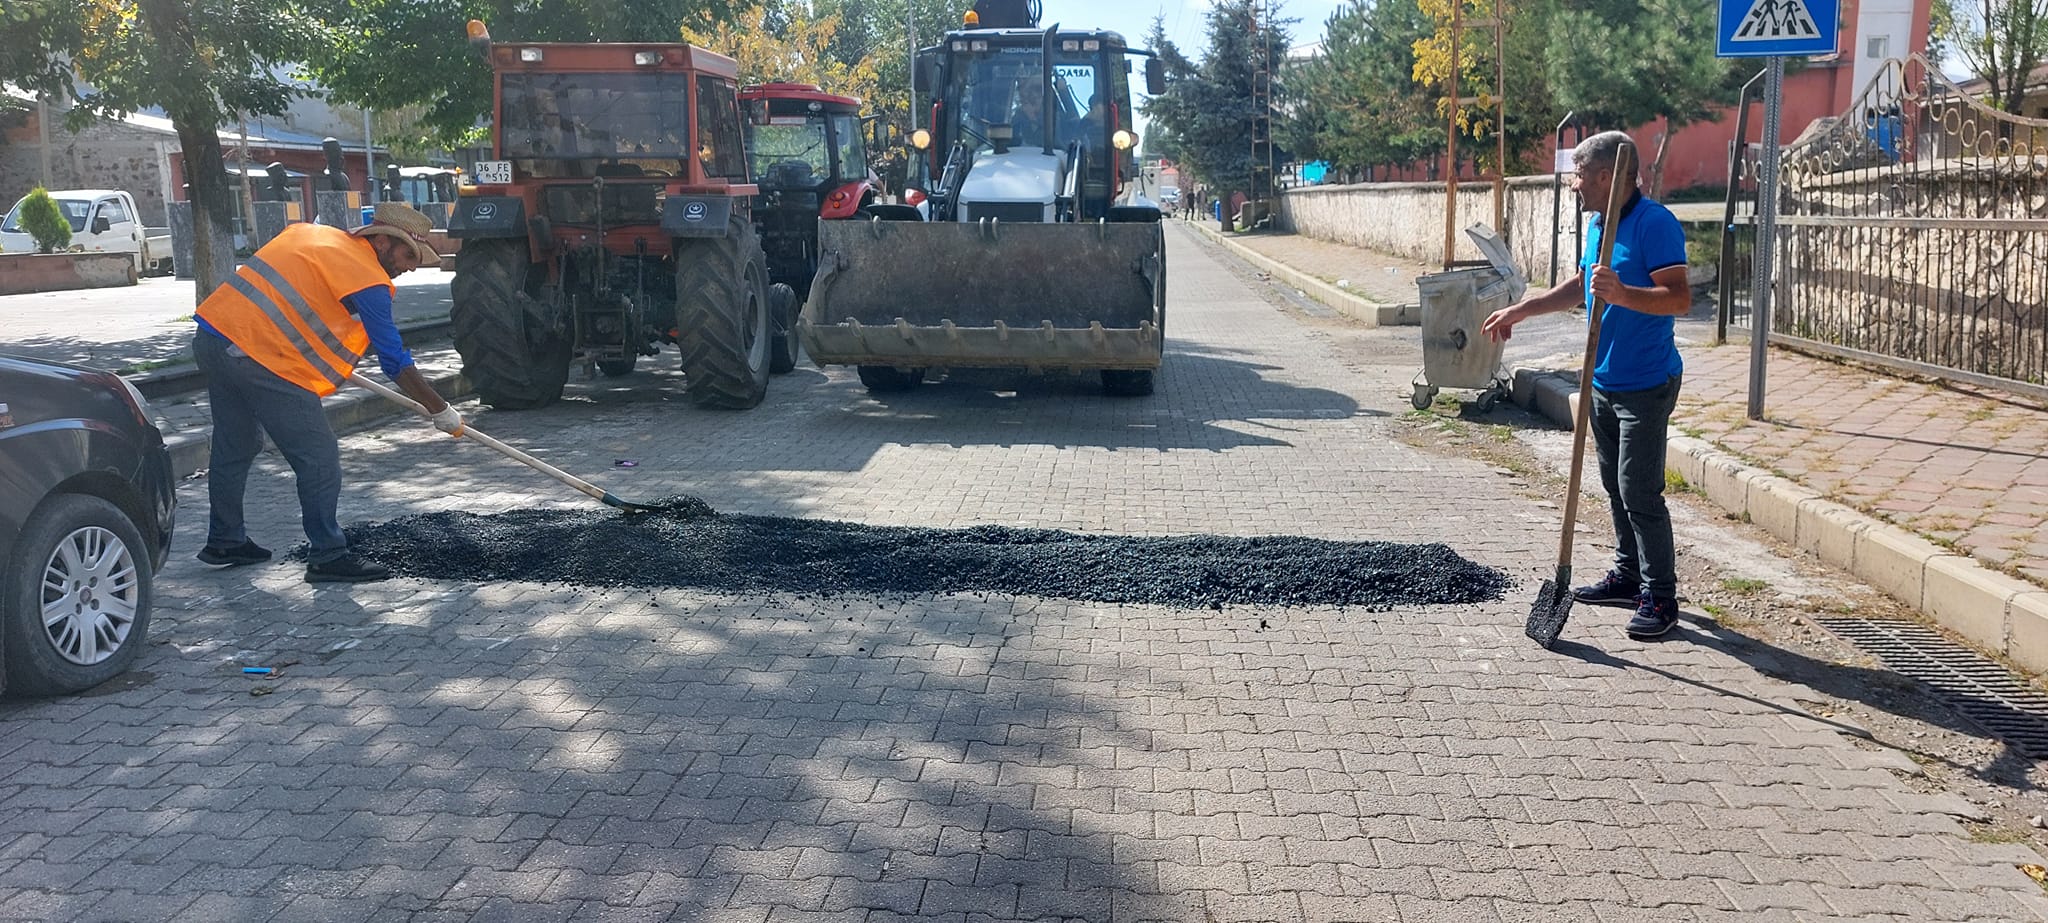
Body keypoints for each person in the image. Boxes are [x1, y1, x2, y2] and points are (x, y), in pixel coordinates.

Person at [1480, 130, 1693, 639]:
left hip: (1646, 380)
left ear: (1607, 176)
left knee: (1639, 490)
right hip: (1603, 378)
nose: (1574, 185)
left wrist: (1623, 292)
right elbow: (1581, 287)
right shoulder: (1601, 223)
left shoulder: (1654, 224)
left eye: (1579, 175)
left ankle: (1661, 597)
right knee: (1614, 488)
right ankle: (1628, 575)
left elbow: (1679, 298)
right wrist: (1522, 309)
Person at [190, 202, 464, 584]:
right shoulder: (368, 278)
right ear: (382, 241)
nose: (412, 266)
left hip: (213, 339)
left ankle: (225, 539)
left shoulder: (315, 237)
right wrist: (440, 409)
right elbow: (395, 362)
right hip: (257, 355)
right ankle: (328, 555)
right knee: (317, 456)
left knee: (236, 445)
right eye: (407, 255)